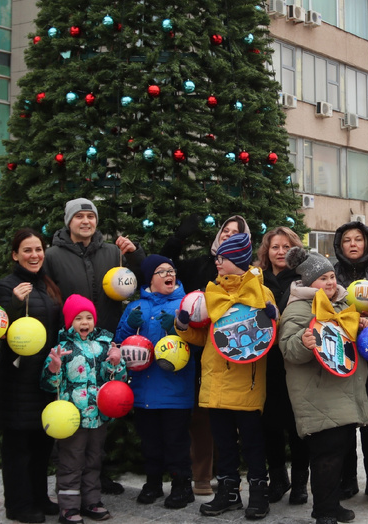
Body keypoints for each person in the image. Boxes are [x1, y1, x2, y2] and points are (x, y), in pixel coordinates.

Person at [176, 232, 279, 519]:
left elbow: (270, 334)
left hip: (247, 382)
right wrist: (183, 325)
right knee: (223, 442)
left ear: (237, 260)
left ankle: (259, 493)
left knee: (252, 442)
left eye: (222, 258)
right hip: (214, 382)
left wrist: (274, 316)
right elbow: (204, 338)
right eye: (218, 258)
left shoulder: (261, 291)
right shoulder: (211, 293)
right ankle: (229, 492)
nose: (217, 262)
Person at [278, 247, 368, 524]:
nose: (331, 282)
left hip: (342, 390)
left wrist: (363, 323)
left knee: (339, 450)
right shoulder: (298, 307)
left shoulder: (343, 305)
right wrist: (303, 343)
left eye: (332, 276)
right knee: (326, 455)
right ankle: (324, 511)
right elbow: (288, 349)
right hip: (317, 393)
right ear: (309, 284)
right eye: (323, 279)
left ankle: (331, 504)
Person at [161, 214, 249, 495]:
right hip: (199, 352)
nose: (228, 234)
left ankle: (228, 477)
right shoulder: (201, 264)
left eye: (236, 232)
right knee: (201, 419)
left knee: (229, 420)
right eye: (225, 230)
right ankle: (201, 476)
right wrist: (178, 238)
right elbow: (164, 266)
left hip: (235, 356)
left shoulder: (249, 276)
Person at [0, 228, 64, 523]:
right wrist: (13, 304)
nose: (34, 255)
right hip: (17, 380)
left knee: (41, 443)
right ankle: (18, 505)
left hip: (45, 377)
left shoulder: (48, 284)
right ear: (15, 255)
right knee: (18, 447)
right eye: (27, 250)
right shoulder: (5, 286)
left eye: (38, 249)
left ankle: (38, 496)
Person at [115, 254, 196, 509]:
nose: (168, 274)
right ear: (150, 278)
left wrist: (176, 329)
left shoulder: (185, 304)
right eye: (161, 271)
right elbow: (119, 343)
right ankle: (152, 483)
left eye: (171, 270)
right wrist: (129, 326)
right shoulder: (135, 307)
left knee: (176, 442)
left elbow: (196, 342)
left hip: (175, 390)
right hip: (144, 390)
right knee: (150, 441)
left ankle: (182, 486)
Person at [42, 294, 126, 524]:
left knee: (94, 459)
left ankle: (91, 501)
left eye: (89, 317)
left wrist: (116, 362)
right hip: (72, 417)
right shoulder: (62, 347)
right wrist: (54, 368)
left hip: (98, 415)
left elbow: (116, 379)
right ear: (70, 322)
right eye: (78, 318)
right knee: (71, 461)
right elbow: (49, 385)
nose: (85, 322)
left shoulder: (103, 346)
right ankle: (68, 507)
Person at [332, 220, 368, 504]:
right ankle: (348, 479)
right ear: (339, 245)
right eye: (347, 240)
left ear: (367, 242)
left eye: (358, 239)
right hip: (342, 355)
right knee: (344, 423)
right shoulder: (330, 273)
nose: (353, 244)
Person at [255, 227, 310, 504]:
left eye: (286, 247)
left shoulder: (302, 279)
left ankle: (301, 481)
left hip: (296, 358)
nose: (280, 252)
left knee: (297, 424)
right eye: (275, 246)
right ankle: (278, 478)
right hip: (266, 360)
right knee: (270, 424)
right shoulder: (257, 279)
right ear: (266, 250)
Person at [43, 198, 143, 334]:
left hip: (108, 338)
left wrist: (134, 255)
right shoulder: (51, 256)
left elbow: (141, 281)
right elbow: (45, 300)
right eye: (79, 216)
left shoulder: (114, 253)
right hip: (69, 341)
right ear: (68, 222)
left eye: (90, 216)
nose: (86, 221)